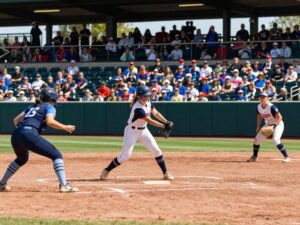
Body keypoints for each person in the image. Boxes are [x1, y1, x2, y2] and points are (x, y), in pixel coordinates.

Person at [0, 88, 78, 192]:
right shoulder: (49, 106)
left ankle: (2, 183)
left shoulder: (32, 106)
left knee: (21, 159)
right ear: (52, 99)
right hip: (29, 133)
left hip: (16, 134)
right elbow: (50, 121)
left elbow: (16, 120)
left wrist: (23, 130)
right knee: (56, 155)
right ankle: (64, 185)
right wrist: (65, 127)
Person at [100, 85, 174, 180]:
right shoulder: (137, 108)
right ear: (139, 96)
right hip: (132, 131)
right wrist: (164, 126)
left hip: (144, 131)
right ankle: (106, 170)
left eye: (148, 95)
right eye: (145, 96)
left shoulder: (148, 102)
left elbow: (156, 113)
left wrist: (166, 121)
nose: (147, 97)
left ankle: (165, 173)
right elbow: (149, 120)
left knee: (157, 151)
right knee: (124, 157)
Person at [247, 92, 290, 163]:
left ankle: (287, 157)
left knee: (275, 139)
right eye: (261, 97)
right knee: (256, 140)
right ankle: (255, 157)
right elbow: (259, 117)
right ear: (259, 98)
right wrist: (258, 126)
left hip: (278, 124)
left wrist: (274, 126)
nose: (262, 98)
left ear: (267, 98)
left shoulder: (271, 107)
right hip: (268, 125)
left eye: (264, 97)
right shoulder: (258, 107)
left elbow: (280, 117)